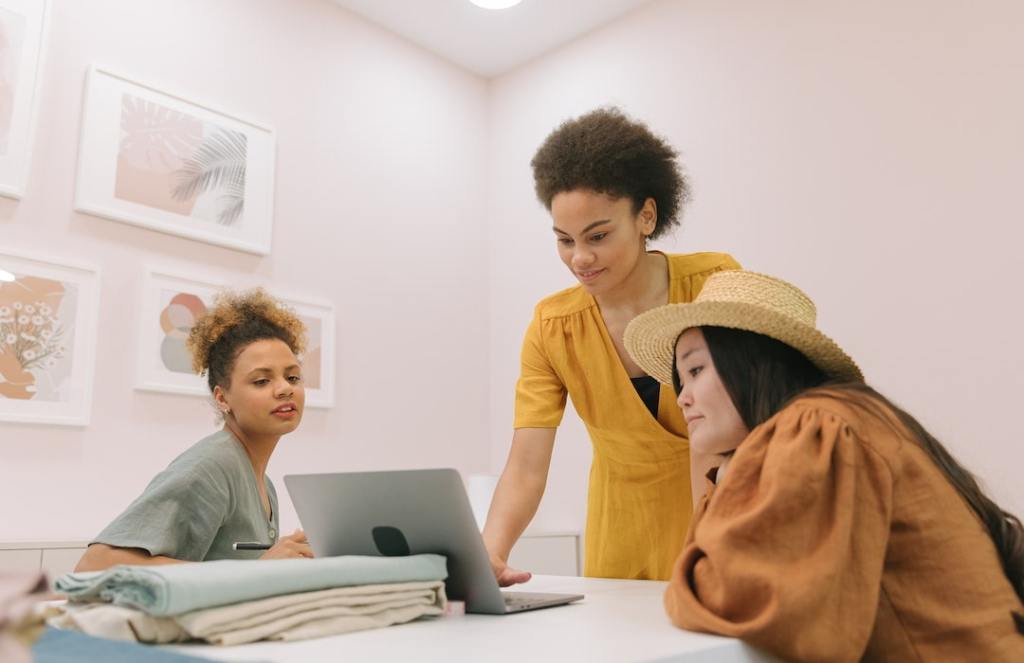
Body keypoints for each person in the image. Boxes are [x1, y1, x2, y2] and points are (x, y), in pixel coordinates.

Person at [623, 269, 1024, 661]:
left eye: (695, 371)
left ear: (751, 362)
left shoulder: (817, 428)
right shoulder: (837, 421)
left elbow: (734, 596)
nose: (682, 398)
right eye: (681, 379)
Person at [482, 107, 740, 584]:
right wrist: (487, 555)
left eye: (598, 236)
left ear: (646, 215)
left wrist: (706, 545)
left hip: (719, 513)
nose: (580, 258)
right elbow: (525, 466)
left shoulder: (715, 283)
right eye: (564, 240)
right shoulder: (552, 326)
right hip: (617, 527)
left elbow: (729, 430)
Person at [75, 289, 314, 571]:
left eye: (293, 376)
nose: (285, 388)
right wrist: (255, 569)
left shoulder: (264, 485)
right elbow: (95, 563)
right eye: (262, 381)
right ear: (222, 398)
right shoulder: (212, 466)